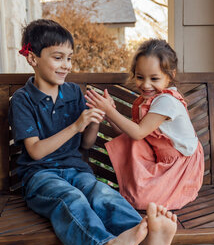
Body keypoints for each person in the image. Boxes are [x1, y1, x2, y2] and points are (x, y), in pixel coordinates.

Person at [9, 19, 177, 245]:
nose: (66, 65)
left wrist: (95, 117)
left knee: (101, 193)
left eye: (69, 58)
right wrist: (76, 125)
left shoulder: (74, 93)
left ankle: (148, 239)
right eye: (58, 57)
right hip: (40, 177)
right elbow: (36, 152)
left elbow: (86, 144)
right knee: (71, 199)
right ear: (33, 59)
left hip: (76, 170)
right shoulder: (22, 100)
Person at [85, 39, 204, 210]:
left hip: (180, 168)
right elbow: (128, 135)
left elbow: (138, 133)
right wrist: (109, 112)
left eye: (154, 78)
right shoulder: (150, 100)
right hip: (161, 160)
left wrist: (110, 111)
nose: (146, 84)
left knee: (142, 201)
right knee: (131, 145)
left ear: (171, 75)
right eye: (140, 77)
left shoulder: (166, 101)